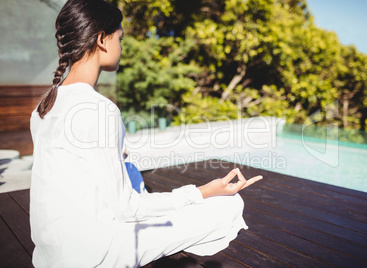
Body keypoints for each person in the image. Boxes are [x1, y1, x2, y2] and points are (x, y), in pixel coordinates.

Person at [30, 0, 262, 267]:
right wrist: (203, 192)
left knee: (129, 169)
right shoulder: (99, 108)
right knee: (228, 206)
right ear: (102, 39)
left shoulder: (43, 107)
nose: (122, 46)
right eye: (120, 38)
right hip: (93, 252)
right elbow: (127, 209)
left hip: (50, 252)